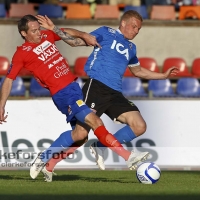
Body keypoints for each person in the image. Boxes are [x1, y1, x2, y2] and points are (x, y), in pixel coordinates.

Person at [0, 14, 150, 180]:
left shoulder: (47, 35)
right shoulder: (22, 54)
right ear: (23, 33)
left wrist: (83, 34)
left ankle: (45, 159)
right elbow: (9, 80)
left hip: (74, 88)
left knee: (80, 135)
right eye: (34, 31)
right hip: (62, 94)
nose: (38, 33)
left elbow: (66, 32)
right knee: (96, 122)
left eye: (39, 29)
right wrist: (1, 105)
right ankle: (128, 156)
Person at [35, 12, 178, 182]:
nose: (136, 31)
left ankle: (100, 146)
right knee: (80, 134)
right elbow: (76, 42)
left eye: (138, 29)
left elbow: (137, 71)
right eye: (133, 26)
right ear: (123, 22)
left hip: (115, 93)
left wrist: (163, 76)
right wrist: (54, 29)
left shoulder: (131, 48)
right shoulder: (105, 32)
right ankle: (47, 161)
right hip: (96, 87)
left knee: (139, 126)